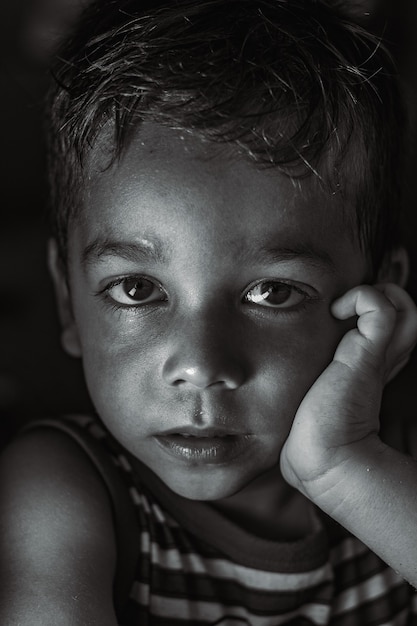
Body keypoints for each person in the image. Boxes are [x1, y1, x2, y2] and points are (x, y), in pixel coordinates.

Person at [1, 0, 417, 624]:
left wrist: (345, 470)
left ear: (375, 307)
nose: (199, 366)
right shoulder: (63, 490)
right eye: (137, 290)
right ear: (67, 297)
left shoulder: (396, 472)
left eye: (272, 293)